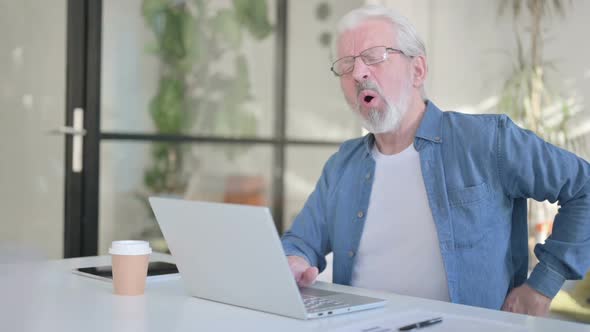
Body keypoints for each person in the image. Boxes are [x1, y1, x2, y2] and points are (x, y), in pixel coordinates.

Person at [281, 5, 590, 317]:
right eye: (346, 65)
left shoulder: (487, 140)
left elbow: (584, 189)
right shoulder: (342, 165)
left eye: (374, 56)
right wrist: (294, 260)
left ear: (418, 70)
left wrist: (542, 285)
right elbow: (302, 241)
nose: (359, 73)